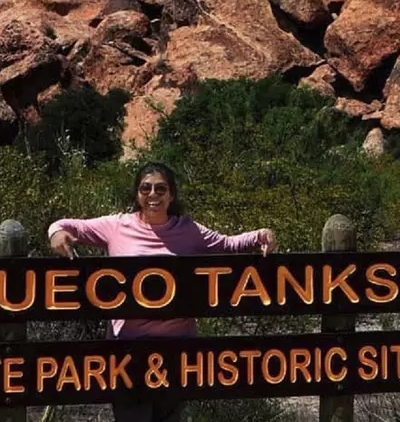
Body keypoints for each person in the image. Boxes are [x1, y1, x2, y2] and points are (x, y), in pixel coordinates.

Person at [48, 161, 276, 422]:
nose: (152, 195)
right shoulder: (116, 226)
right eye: (145, 188)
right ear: (137, 194)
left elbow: (226, 244)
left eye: (160, 188)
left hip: (178, 353)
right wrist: (57, 234)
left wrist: (260, 235)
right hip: (127, 354)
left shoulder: (188, 230)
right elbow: (65, 225)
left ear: (171, 195)